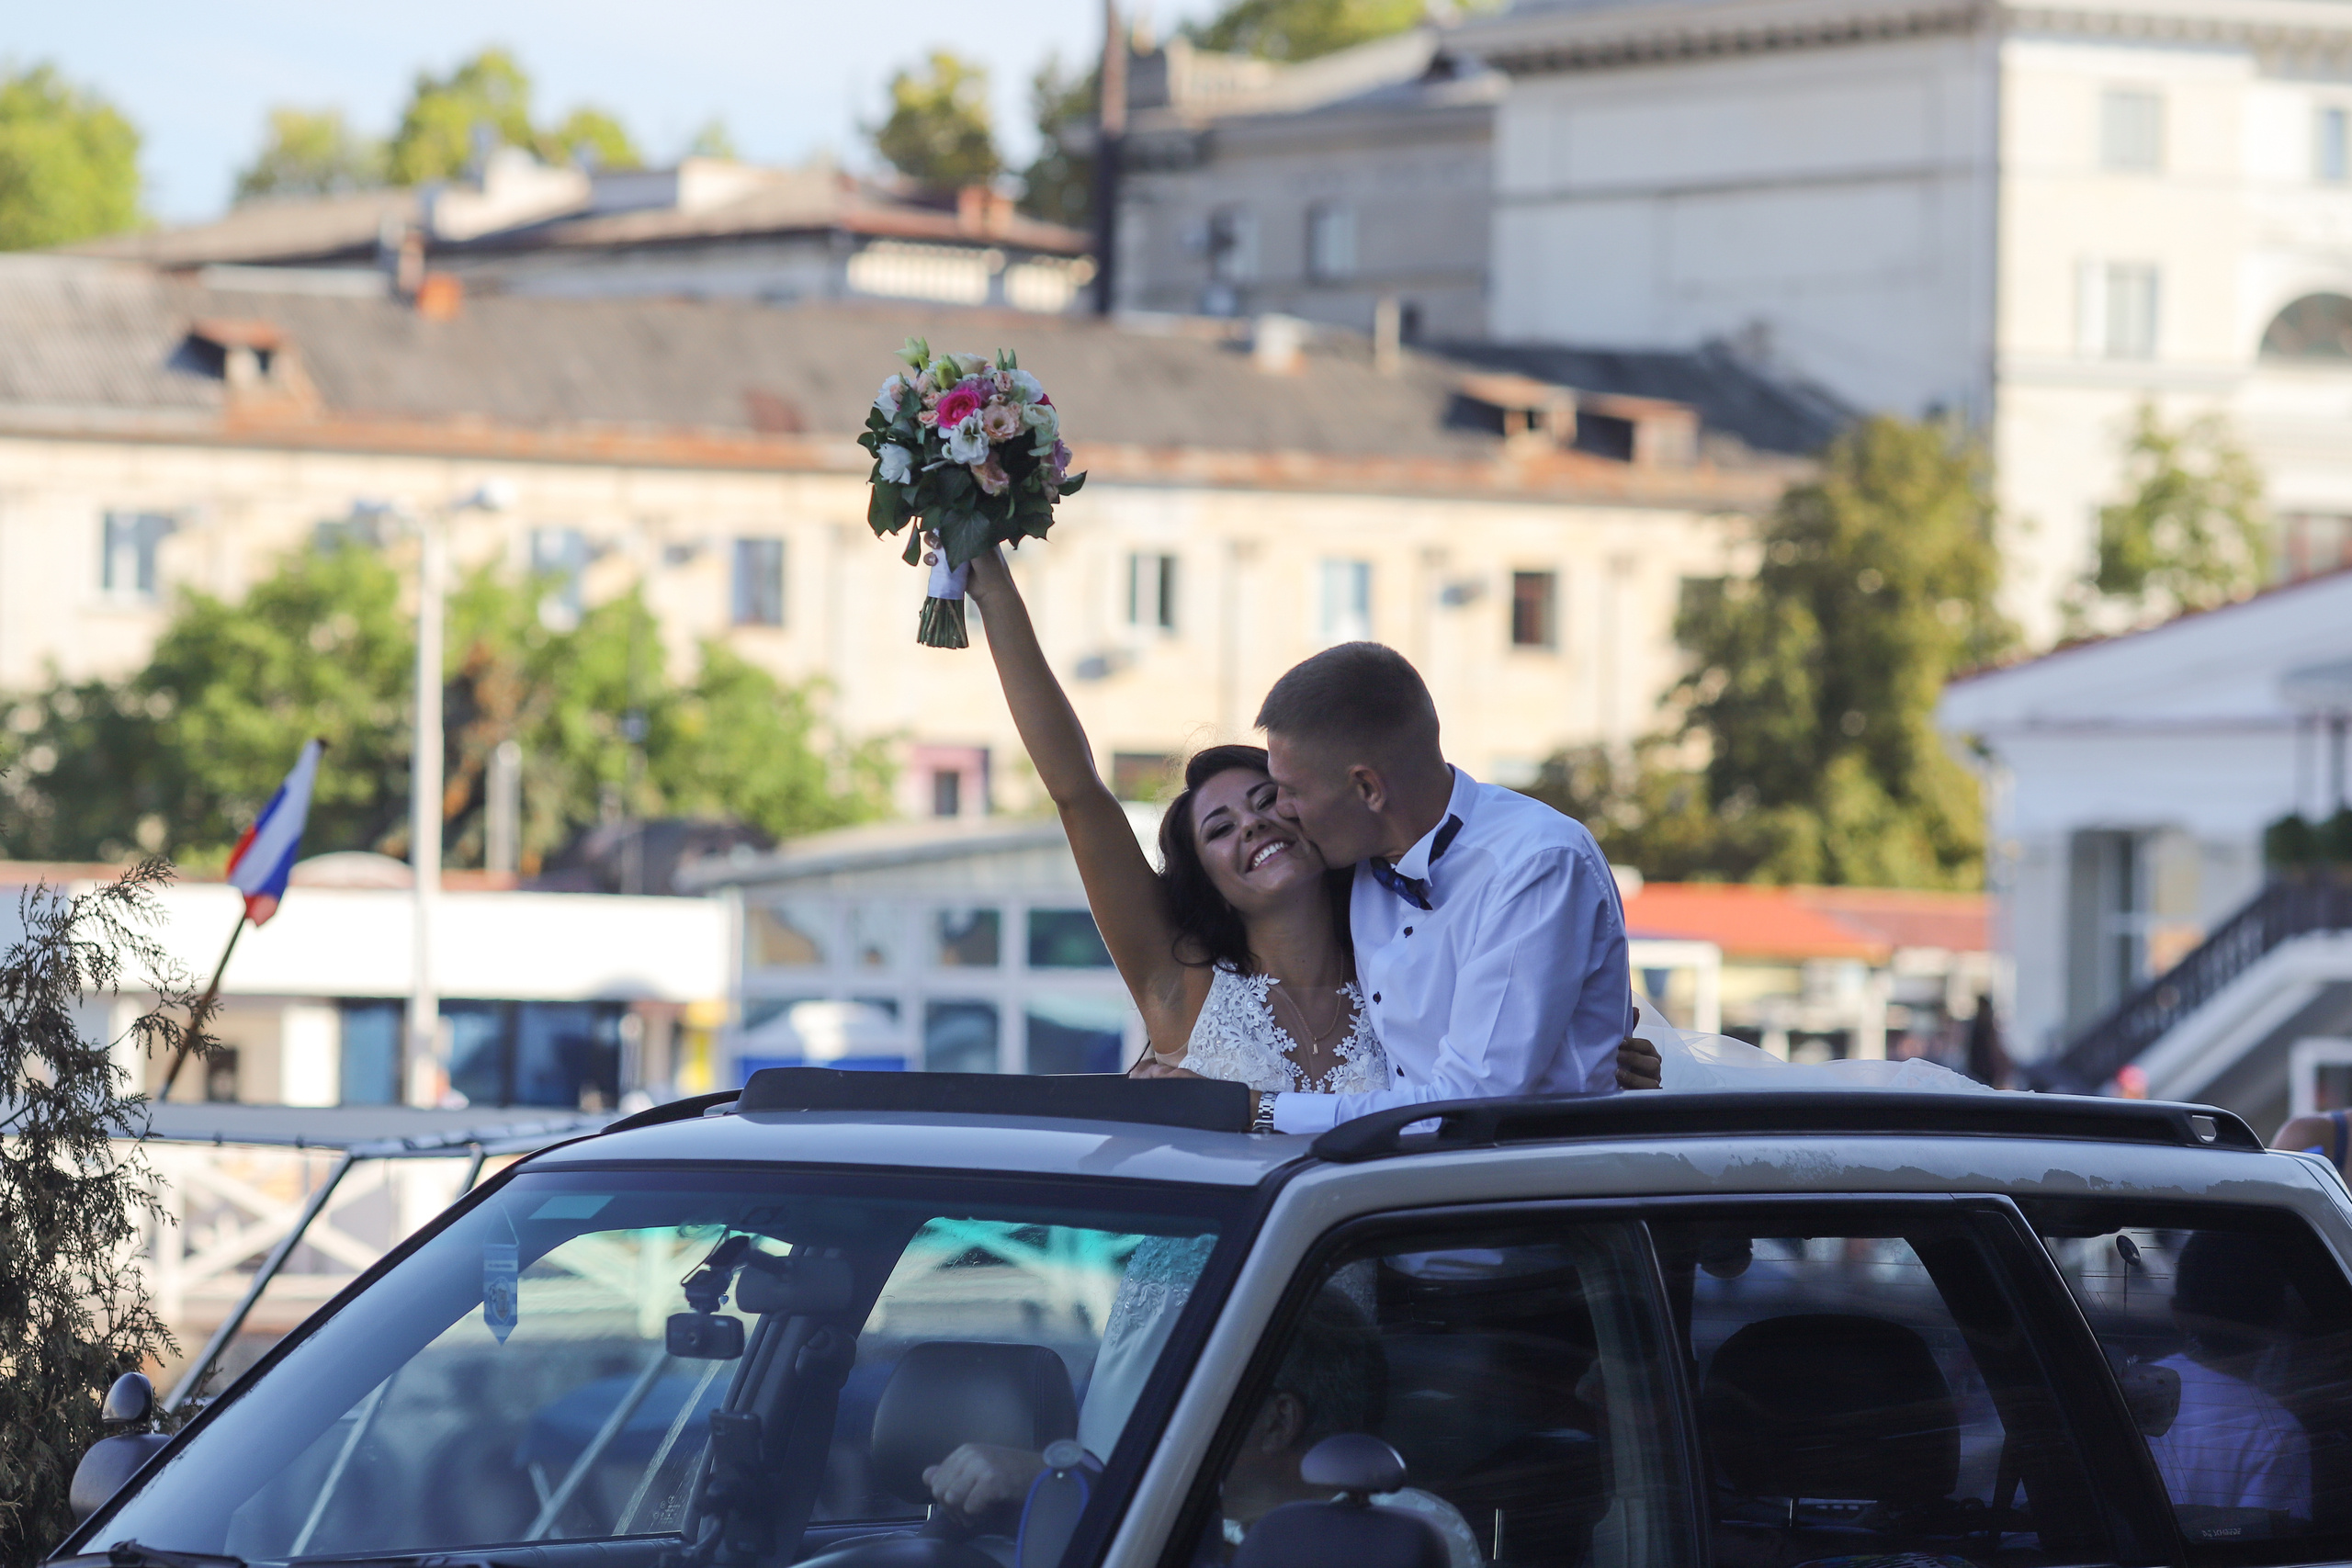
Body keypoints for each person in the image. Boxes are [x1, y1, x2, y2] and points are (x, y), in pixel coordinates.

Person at [1236, 641, 1631, 1133]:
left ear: (1368, 789)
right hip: (1402, 1189)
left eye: (1292, 791)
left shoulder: (1536, 864)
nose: (1281, 810)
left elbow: (1469, 1105)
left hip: (1535, 1190)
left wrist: (1265, 1111)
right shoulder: (1347, 857)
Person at [2144, 1230, 2311, 1518]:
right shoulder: (2276, 1433)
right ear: (2280, 1320)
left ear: (2178, 1314)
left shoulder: (2135, 1389)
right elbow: (2269, 1551)